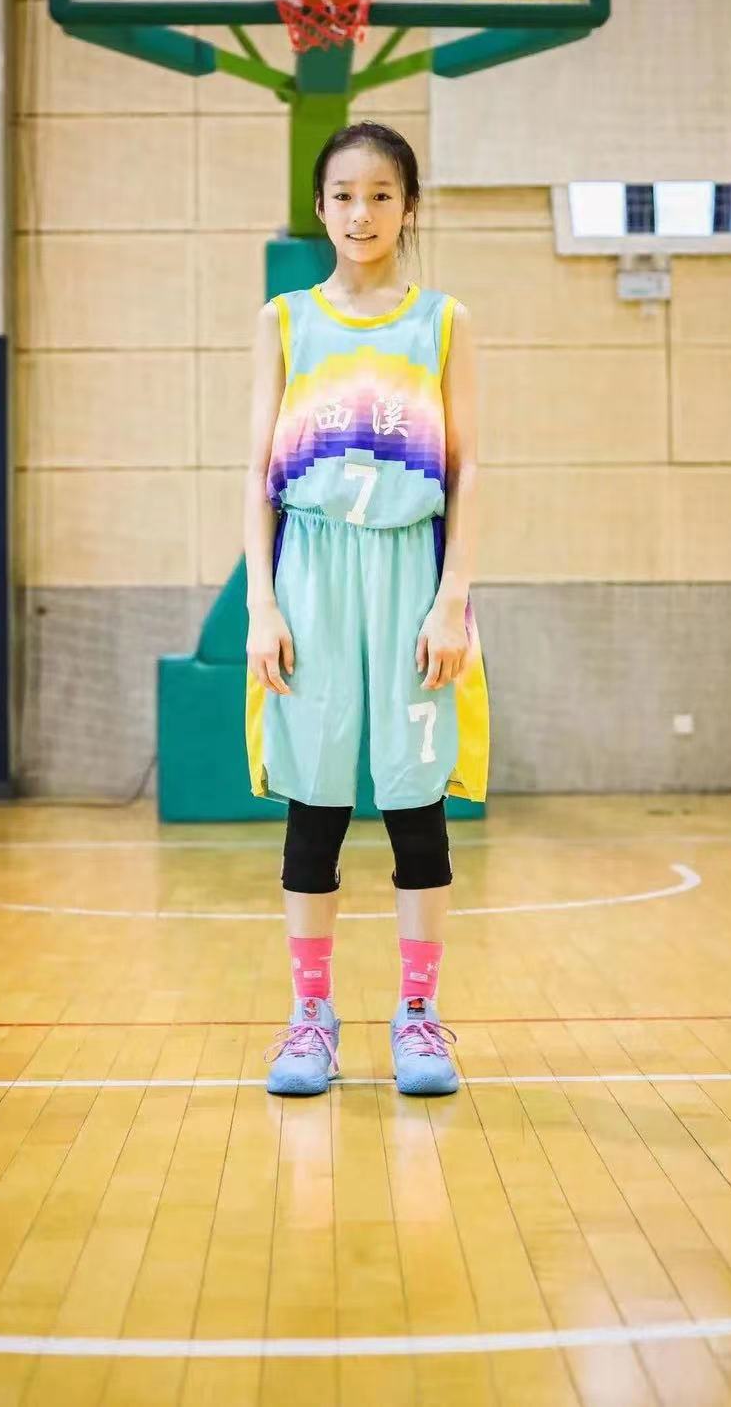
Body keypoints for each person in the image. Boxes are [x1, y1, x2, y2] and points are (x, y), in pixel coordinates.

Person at [243, 120, 490, 1097]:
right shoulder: (284, 321)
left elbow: (470, 469)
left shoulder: (444, 322)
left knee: (415, 802)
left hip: (409, 569)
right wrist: (263, 605)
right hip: (311, 568)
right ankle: (311, 1019)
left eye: (382, 194)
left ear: (408, 207)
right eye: (344, 194)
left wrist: (453, 597)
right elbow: (255, 475)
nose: (362, 212)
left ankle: (419, 1018)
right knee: (315, 801)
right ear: (320, 207)